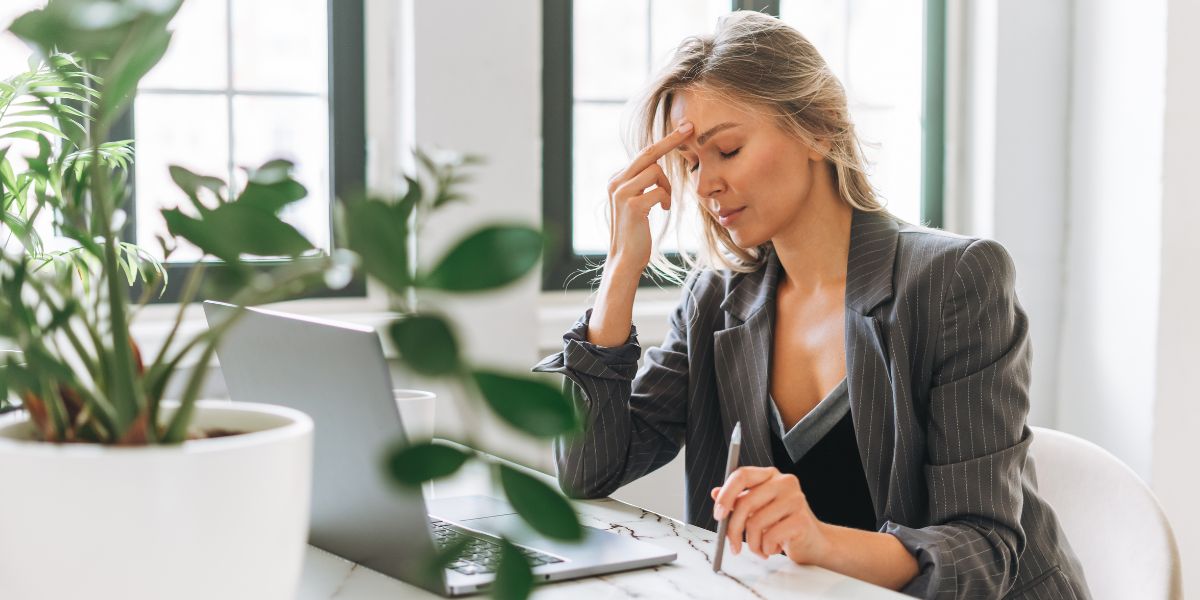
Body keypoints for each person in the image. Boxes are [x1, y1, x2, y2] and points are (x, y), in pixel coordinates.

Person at [533, 10, 1090, 600]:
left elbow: (983, 552)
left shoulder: (955, 281)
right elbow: (586, 471)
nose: (704, 186)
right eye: (693, 163)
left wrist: (817, 539)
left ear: (819, 129)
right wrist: (620, 272)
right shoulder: (716, 300)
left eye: (728, 149)